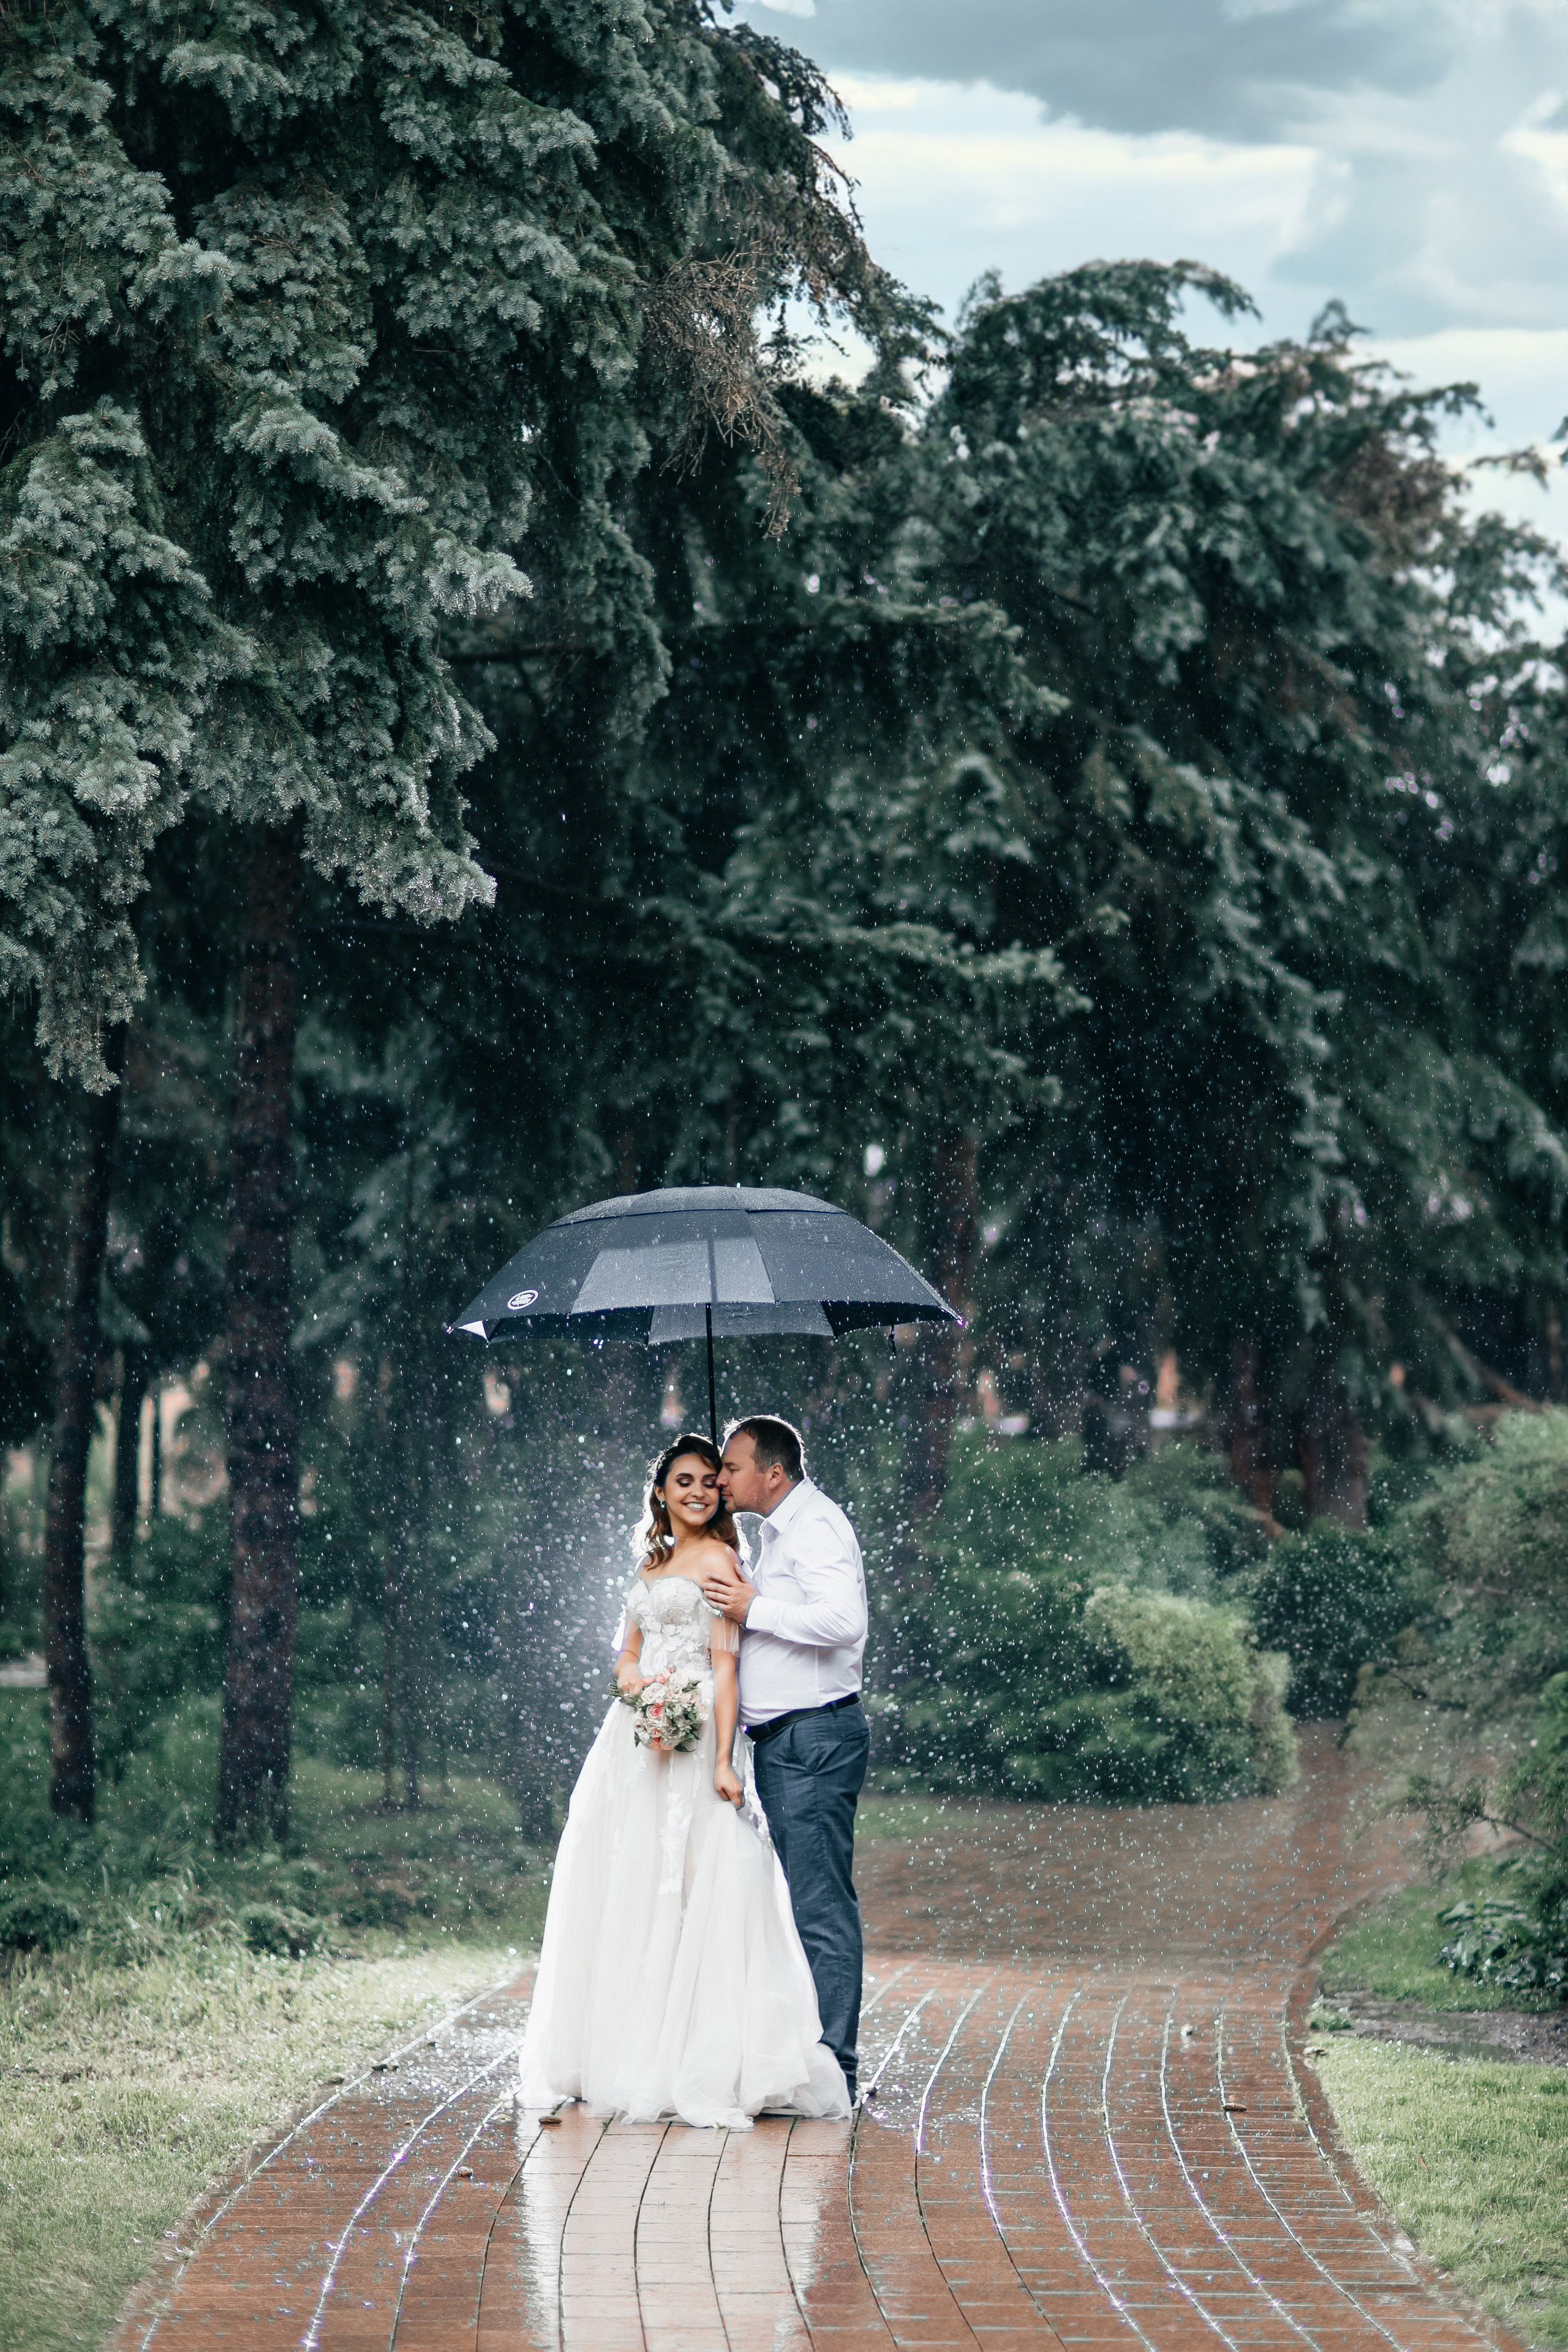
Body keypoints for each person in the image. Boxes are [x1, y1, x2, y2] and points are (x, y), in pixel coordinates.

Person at [516, 1431, 850, 2129]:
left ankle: (716, 2047)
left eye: (715, 1477)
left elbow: (727, 1666)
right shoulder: (650, 1563)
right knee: (629, 1877)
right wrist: (636, 1686)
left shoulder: (728, 1558)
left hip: (700, 1734)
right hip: (637, 1741)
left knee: (700, 1874)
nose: (703, 1490)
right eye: (687, 1481)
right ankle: (628, 2042)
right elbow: (627, 1651)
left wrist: (724, 1758)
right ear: (661, 1494)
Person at [704, 1415, 870, 2103]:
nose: (721, 1478)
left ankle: (838, 2068)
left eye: (733, 1467)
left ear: (773, 1473)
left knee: (820, 1905)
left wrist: (753, 1606)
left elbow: (842, 1623)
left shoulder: (816, 1528)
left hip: (811, 1741)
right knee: (805, 1902)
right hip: (785, 1745)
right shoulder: (774, 1533)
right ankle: (815, 2051)